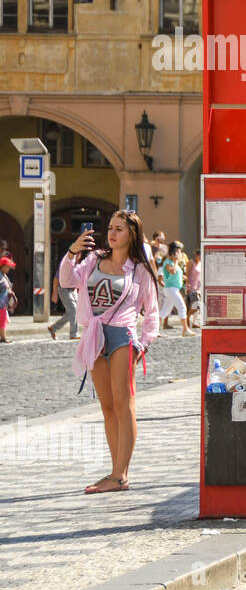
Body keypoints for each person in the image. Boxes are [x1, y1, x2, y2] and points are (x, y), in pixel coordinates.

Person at [60, 210, 161, 493]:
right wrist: (71, 253)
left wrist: (144, 342)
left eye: (119, 229)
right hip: (94, 336)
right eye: (111, 228)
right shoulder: (93, 259)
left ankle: (120, 475)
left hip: (122, 336)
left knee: (123, 403)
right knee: (107, 407)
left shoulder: (139, 268)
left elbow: (152, 311)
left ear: (132, 235)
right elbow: (67, 281)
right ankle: (116, 472)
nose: (112, 233)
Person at [158, 242, 193, 336]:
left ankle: (154, 330)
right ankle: (185, 329)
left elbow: (174, 275)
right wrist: (176, 261)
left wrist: (182, 278)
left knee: (165, 311)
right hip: (170, 289)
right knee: (182, 307)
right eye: (178, 251)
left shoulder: (173, 263)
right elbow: (172, 271)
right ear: (173, 252)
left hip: (174, 288)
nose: (180, 253)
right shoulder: (168, 262)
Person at [48, 263, 79, 341]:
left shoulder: (78, 265)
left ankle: (53, 328)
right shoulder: (65, 264)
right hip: (64, 289)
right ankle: (73, 334)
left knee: (70, 313)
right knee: (73, 310)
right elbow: (56, 279)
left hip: (73, 290)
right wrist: (54, 293)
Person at [185, 246, 203, 331]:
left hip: (199, 287)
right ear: (196, 255)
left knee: (197, 305)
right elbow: (187, 274)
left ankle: (195, 322)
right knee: (197, 304)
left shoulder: (201, 263)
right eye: (199, 255)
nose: (200, 257)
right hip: (192, 286)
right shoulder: (191, 262)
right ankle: (187, 318)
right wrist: (187, 285)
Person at [0, 255, 14, 343]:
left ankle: (3, 337)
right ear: (2, 266)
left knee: (3, 319)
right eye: (8, 266)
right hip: (1, 303)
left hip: (3, 303)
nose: (9, 268)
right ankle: (3, 338)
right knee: (2, 319)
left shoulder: (3, 275)